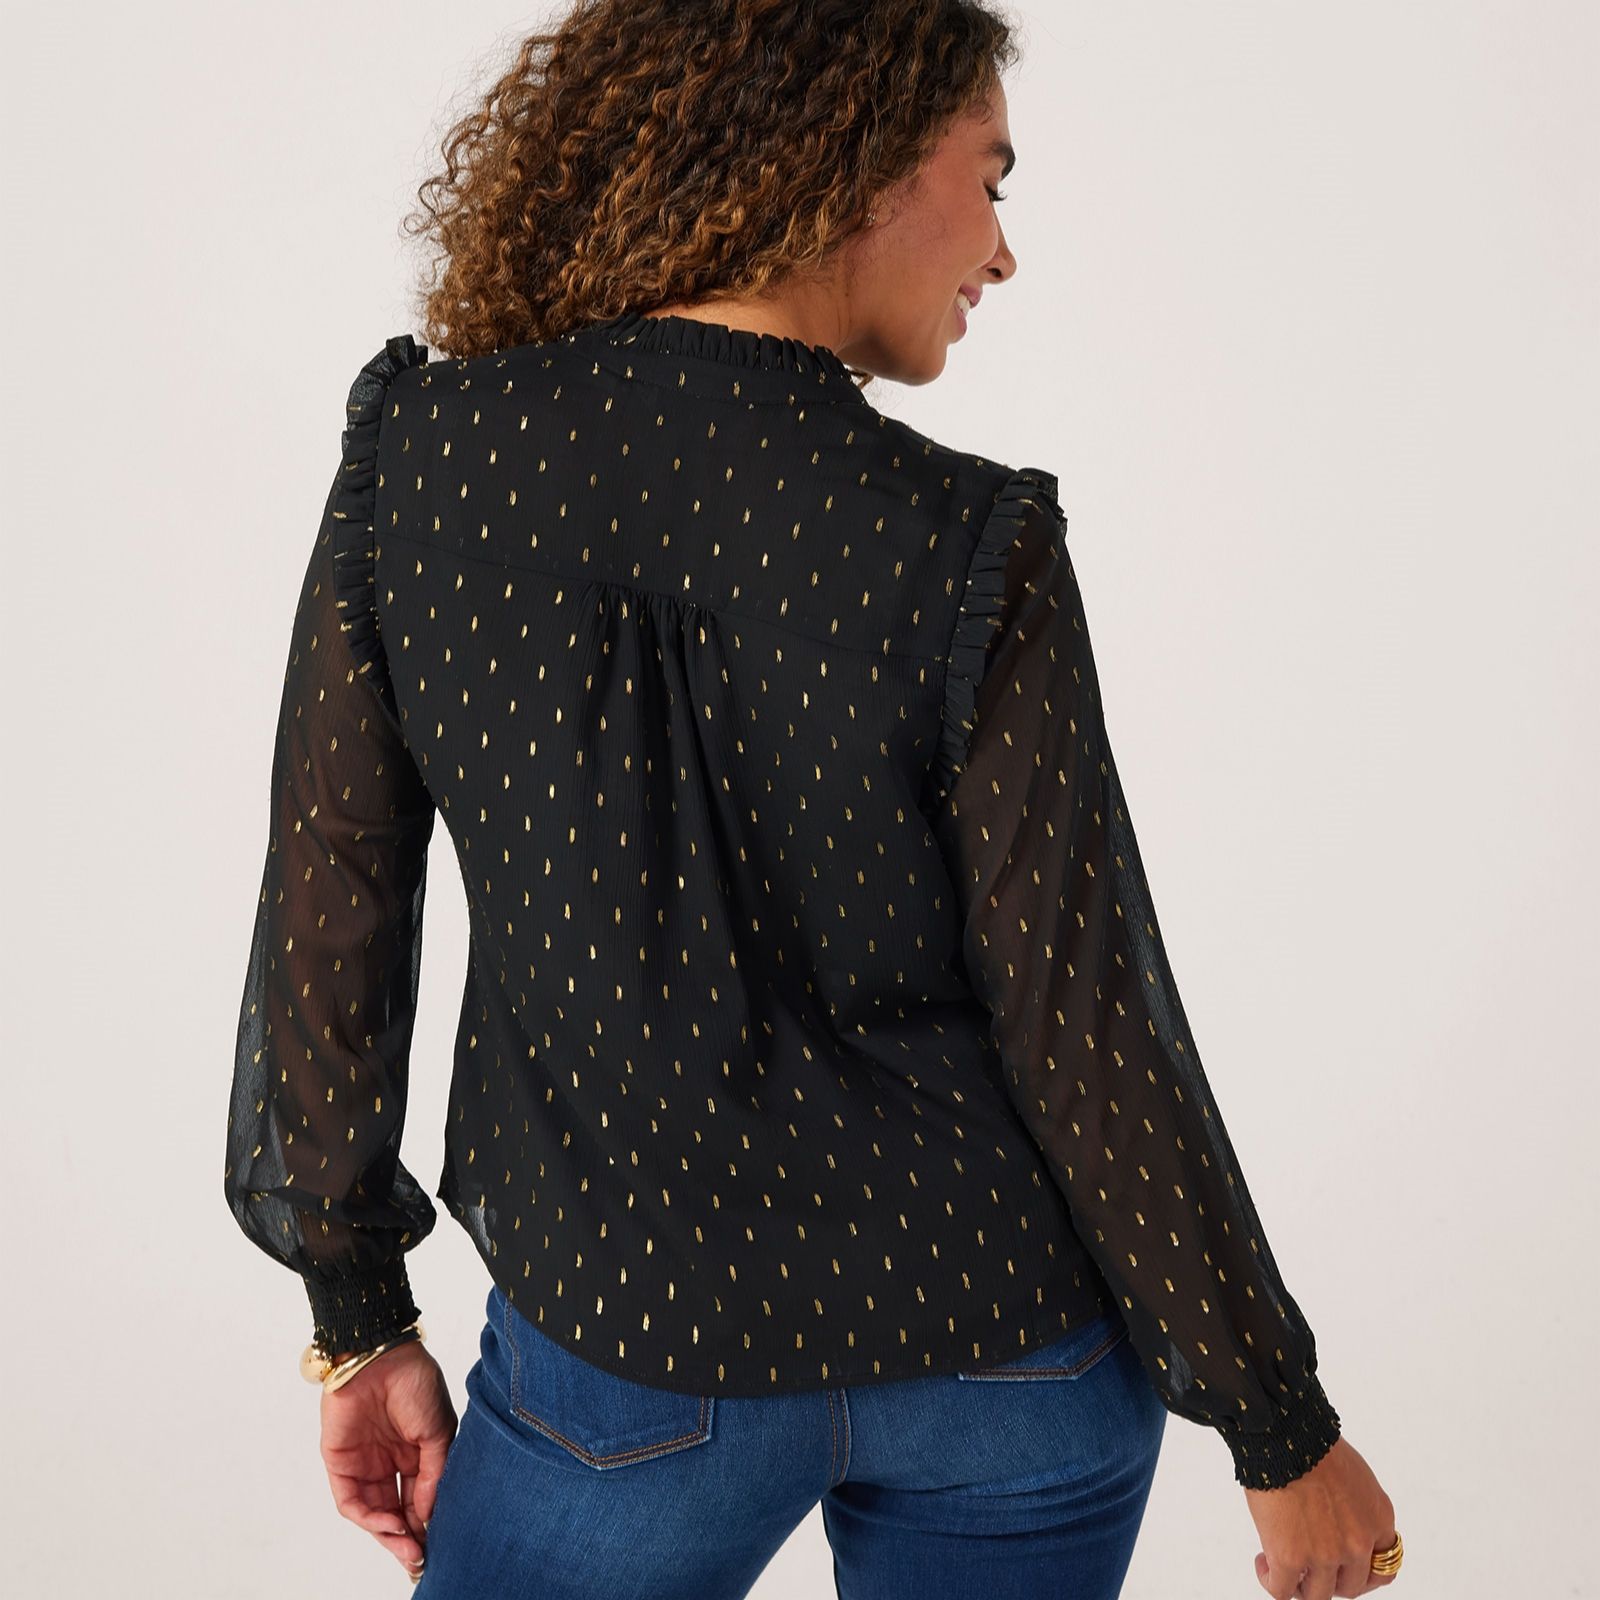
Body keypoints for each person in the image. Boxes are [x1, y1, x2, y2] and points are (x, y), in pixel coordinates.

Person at [222, 2, 1400, 1596]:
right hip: (1014, 1360)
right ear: (850, 159)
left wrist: (357, 1315)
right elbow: (1088, 1025)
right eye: (990, 180)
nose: (1002, 252)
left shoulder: (426, 460)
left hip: (632, 1352)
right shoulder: (966, 539)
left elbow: (331, 906)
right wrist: (1280, 1430)